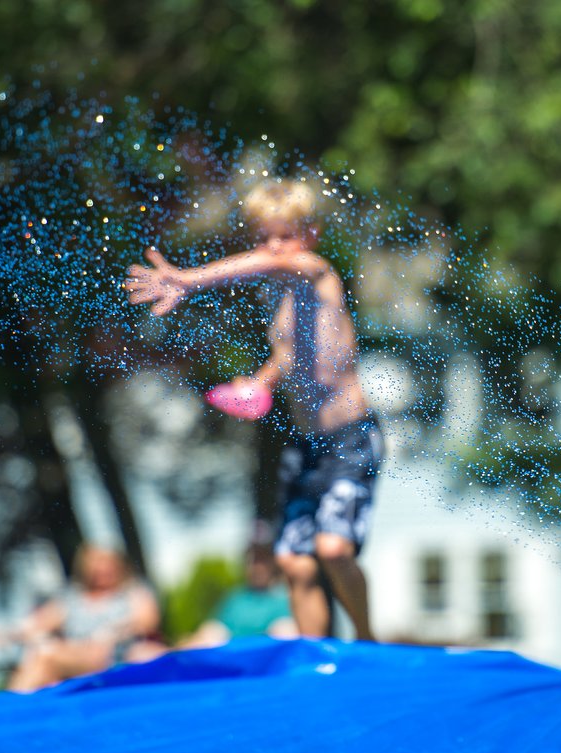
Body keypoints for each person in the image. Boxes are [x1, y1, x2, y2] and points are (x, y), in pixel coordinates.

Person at [124, 179, 382, 641]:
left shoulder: (318, 272)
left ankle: (366, 638)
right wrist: (259, 382)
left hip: (350, 437)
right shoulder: (281, 302)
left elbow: (277, 261)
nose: (274, 247)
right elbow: (289, 355)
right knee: (294, 562)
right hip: (306, 445)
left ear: (312, 235)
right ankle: (315, 656)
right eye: (264, 236)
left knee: (334, 549)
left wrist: (188, 278)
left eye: (286, 235)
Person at [6, 545, 160, 692]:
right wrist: (10, 635)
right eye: (97, 563)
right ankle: (13, 706)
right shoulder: (72, 599)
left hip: (117, 655)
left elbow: (147, 621)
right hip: (77, 656)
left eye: (107, 563)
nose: (102, 569)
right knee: (41, 654)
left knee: (46, 656)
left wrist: (113, 632)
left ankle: (10, 707)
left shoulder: (132, 592)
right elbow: (35, 624)